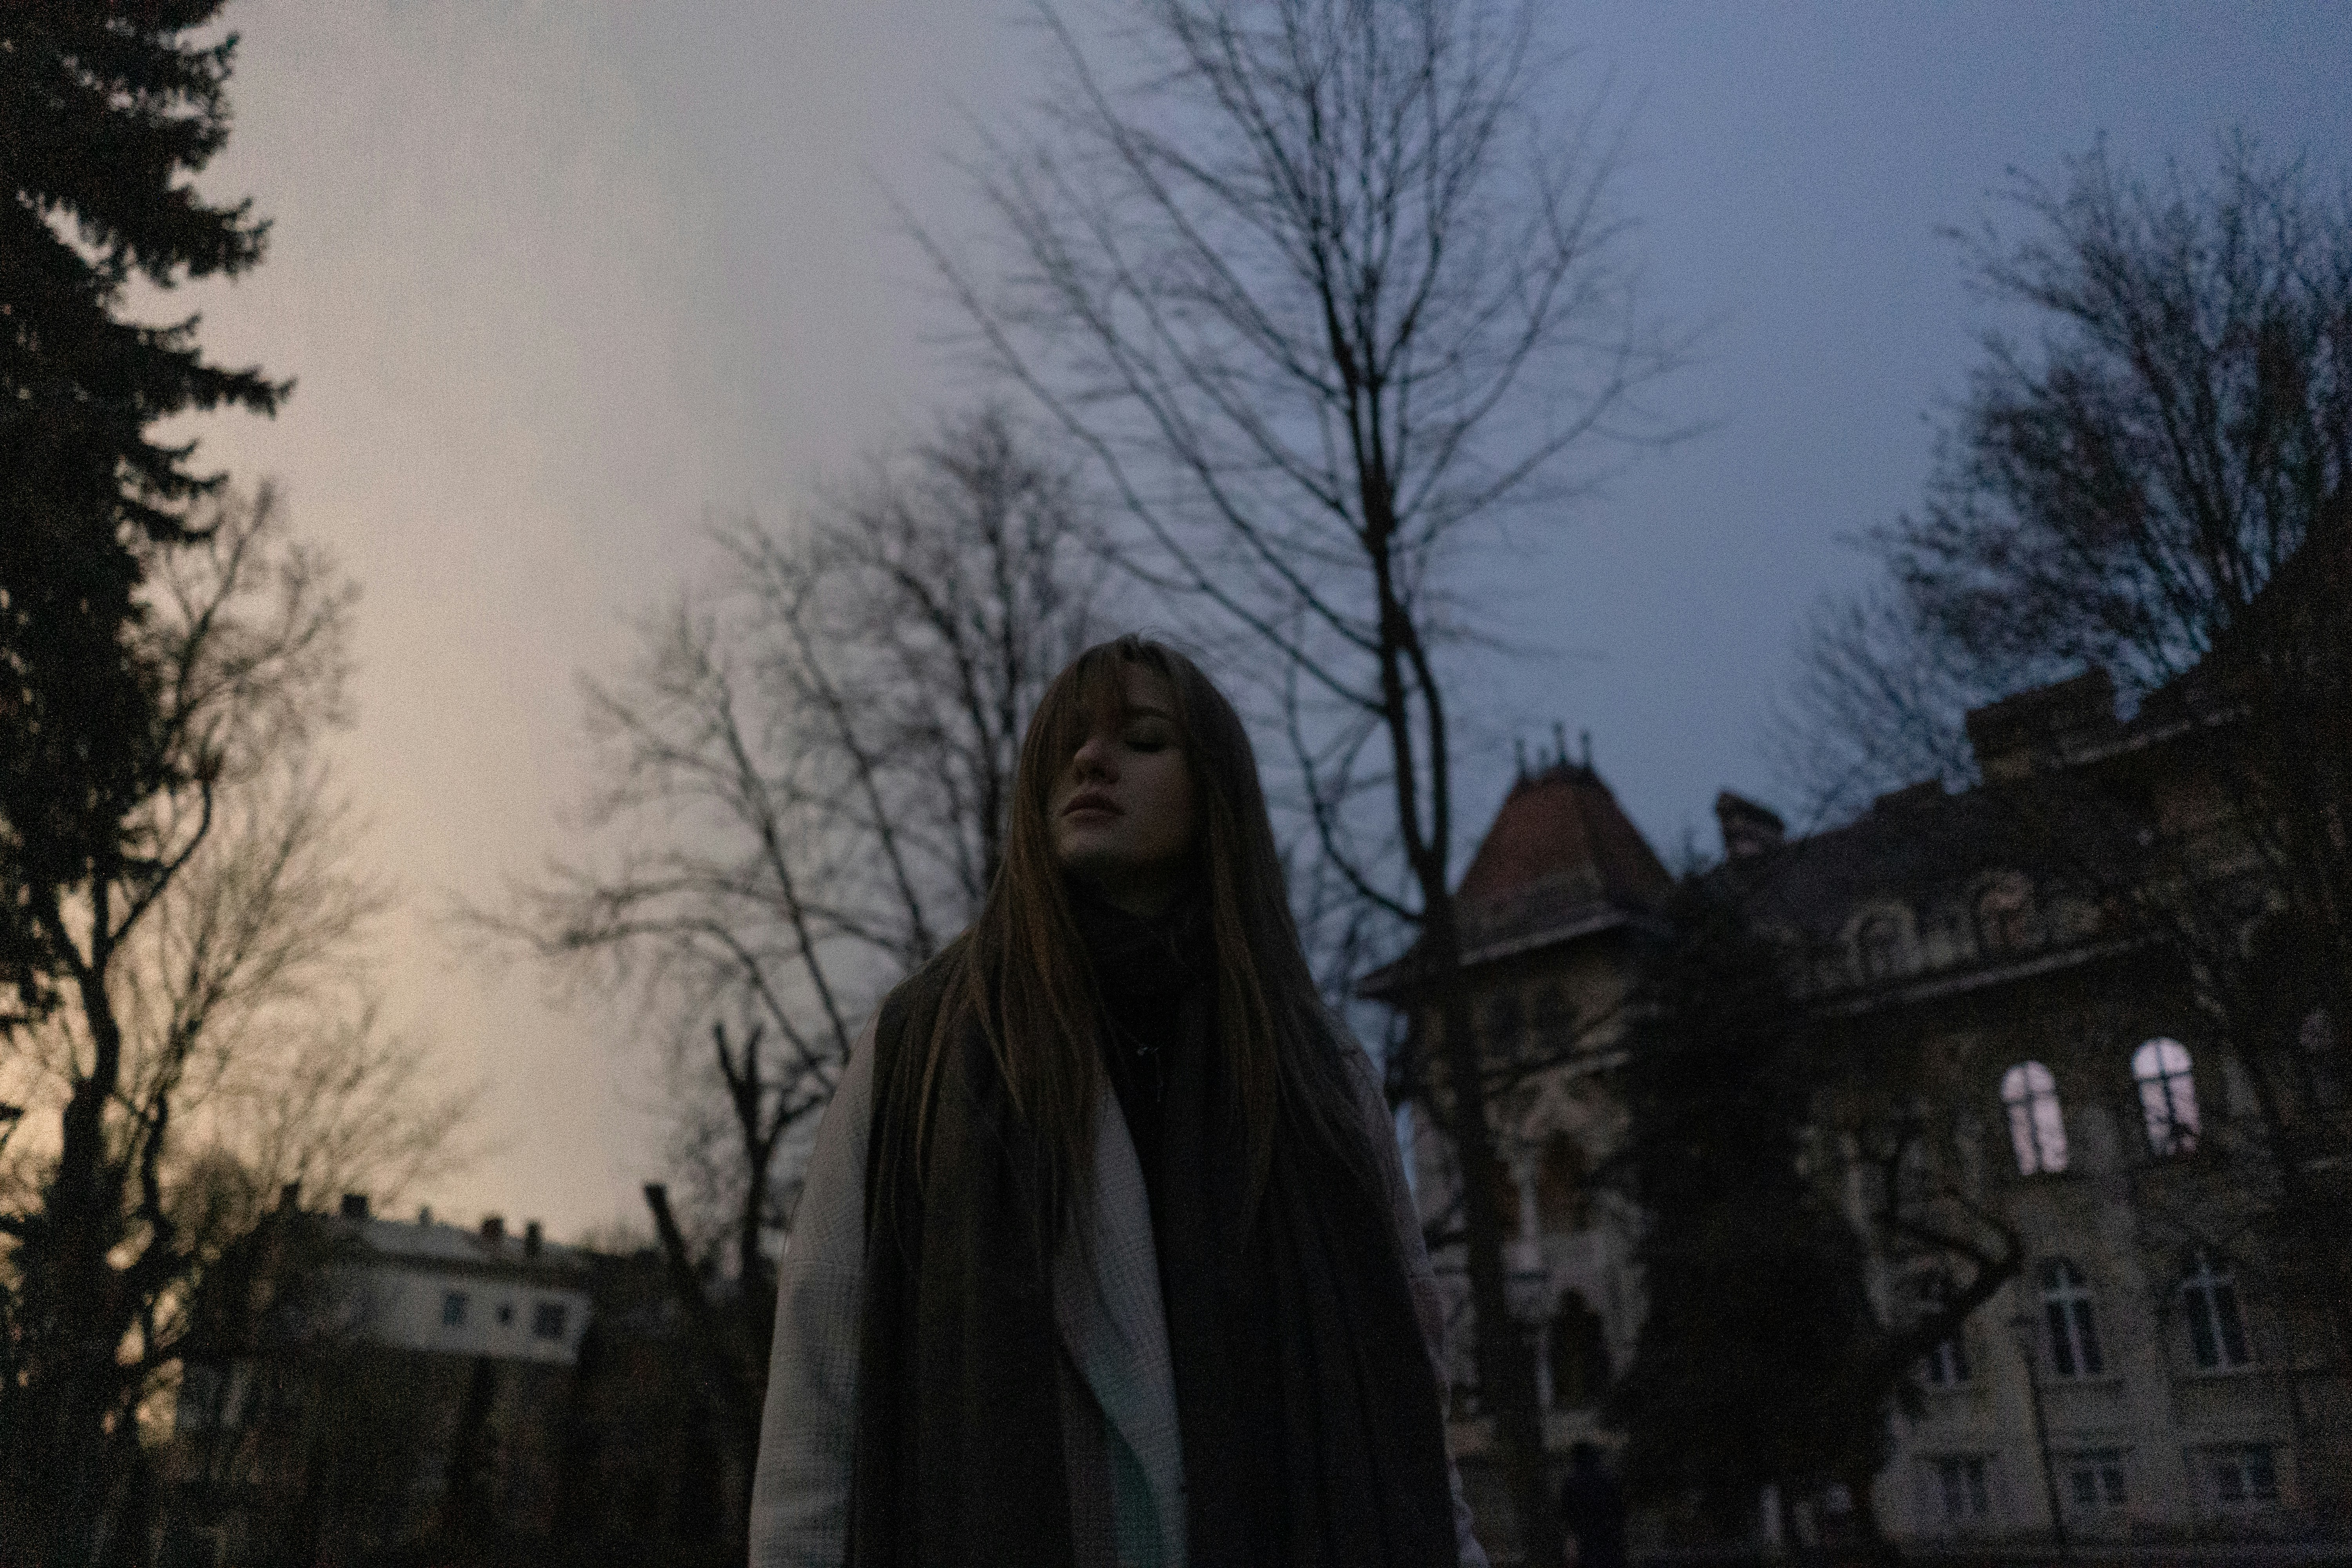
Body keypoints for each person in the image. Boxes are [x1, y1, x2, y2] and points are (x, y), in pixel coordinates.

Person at [749, 635, 1486, 1568]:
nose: (1091, 759)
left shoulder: (1316, 1073)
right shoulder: (918, 1051)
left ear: (1216, 791)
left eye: (1143, 739)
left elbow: (1407, 1400)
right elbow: (819, 1406)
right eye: (1068, 742)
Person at [1556, 1443, 1626, 1568]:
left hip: (1585, 1537)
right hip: (1610, 1536)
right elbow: (1620, 1508)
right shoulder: (1608, 1477)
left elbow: (1566, 1511)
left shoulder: (1573, 1481)